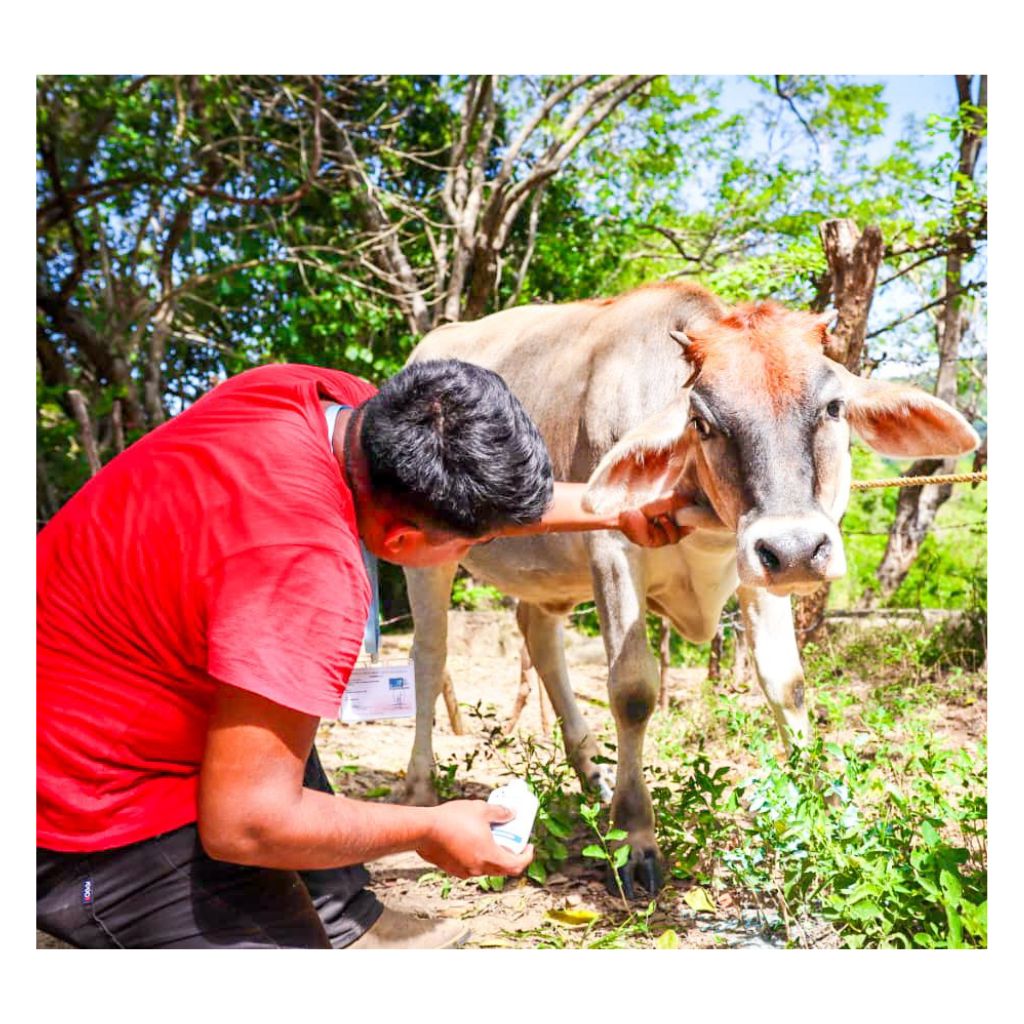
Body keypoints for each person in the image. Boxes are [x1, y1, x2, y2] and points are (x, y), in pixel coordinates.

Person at [37, 359, 689, 949]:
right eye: (470, 545)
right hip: (77, 804)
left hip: (86, 670)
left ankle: (352, 922)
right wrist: (427, 829)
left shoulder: (318, 399)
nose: (471, 553)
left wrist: (609, 508)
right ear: (402, 541)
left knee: (281, 707)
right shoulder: (305, 575)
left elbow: (453, 496)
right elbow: (245, 824)